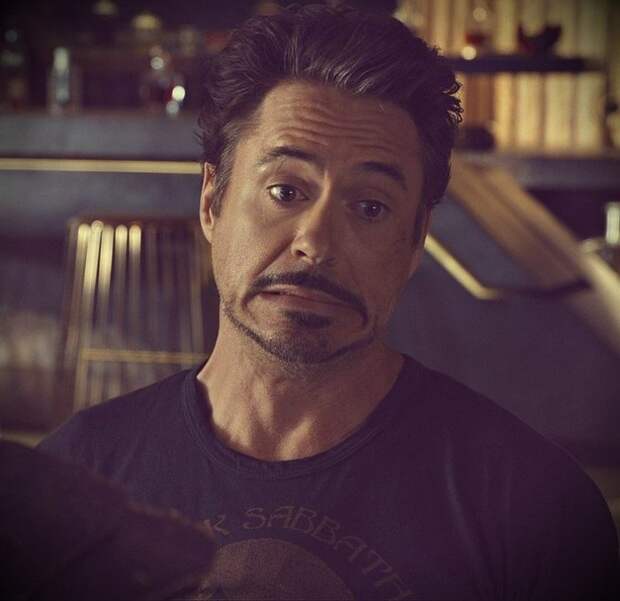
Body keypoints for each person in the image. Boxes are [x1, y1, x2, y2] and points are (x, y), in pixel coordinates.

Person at [38, 4, 618, 599]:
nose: (315, 243)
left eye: (370, 207)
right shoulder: (78, 477)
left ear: (415, 239)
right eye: (285, 191)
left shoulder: (534, 510)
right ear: (212, 201)